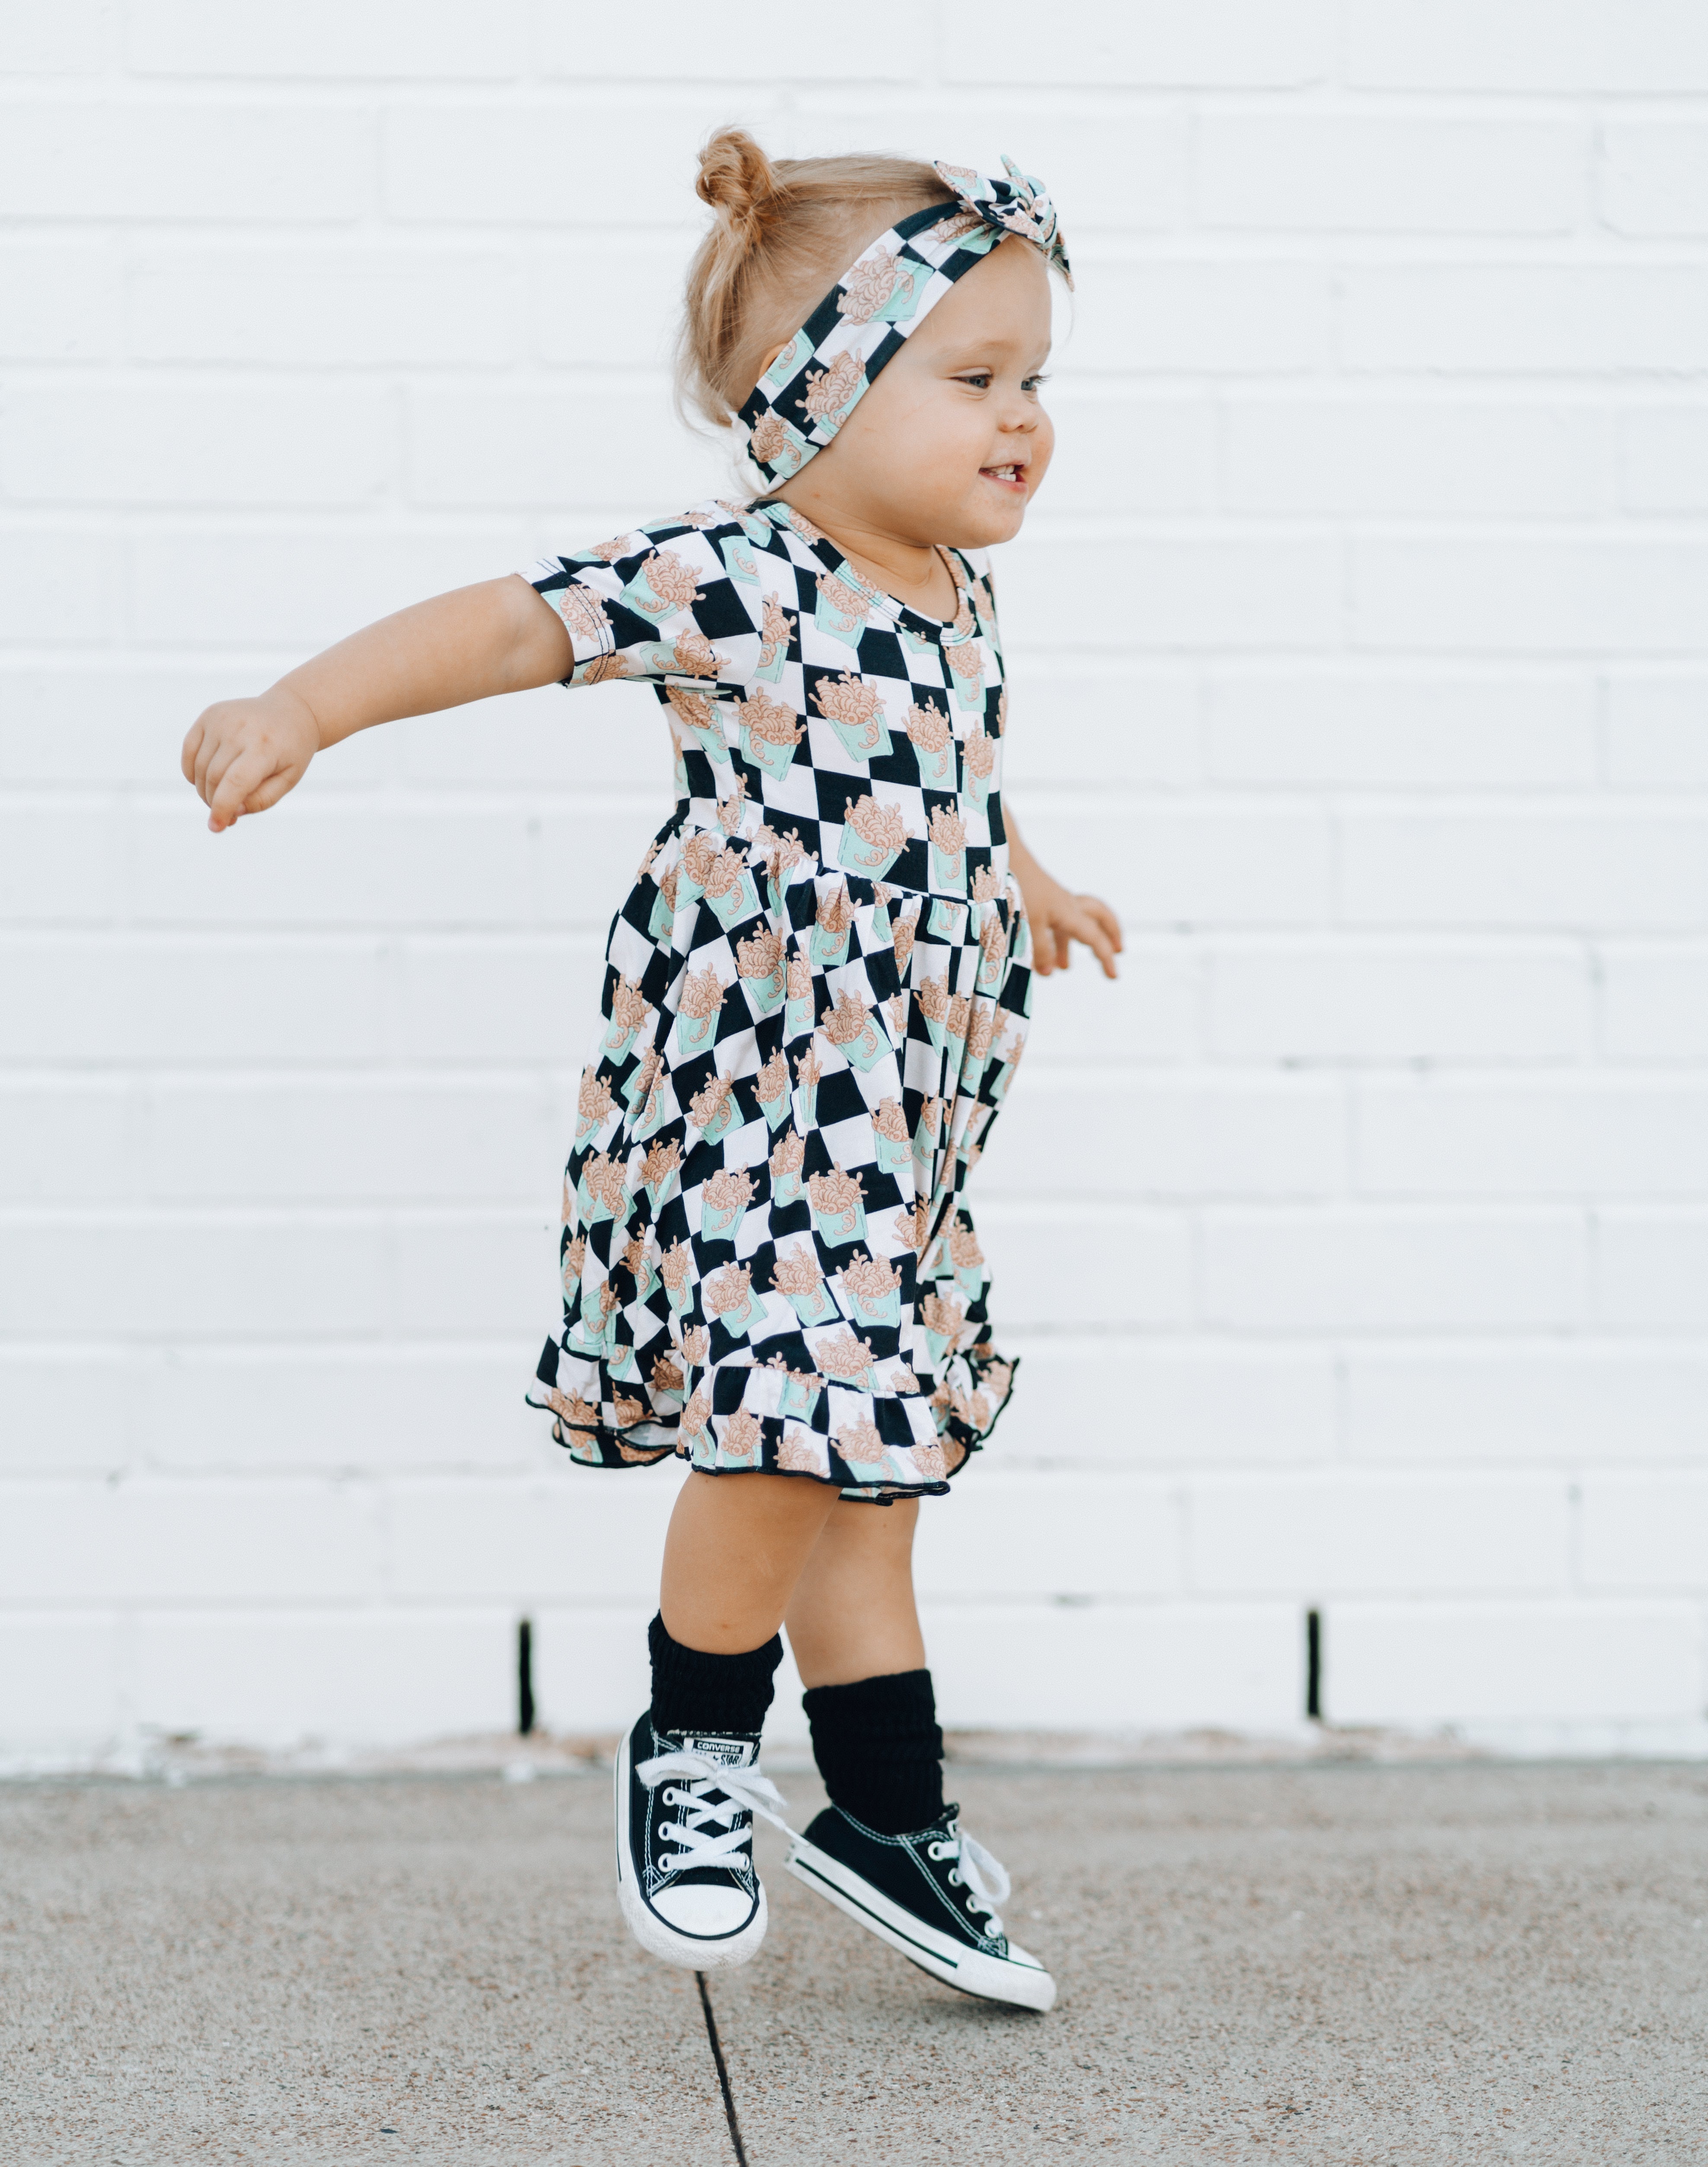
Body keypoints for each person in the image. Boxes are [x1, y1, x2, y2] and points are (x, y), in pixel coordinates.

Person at [180, 129, 1121, 2015]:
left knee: (868, 1484)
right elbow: (514, 619)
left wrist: (1014, 878)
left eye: (1038, 380)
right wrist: (302, 706)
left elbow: (931, 785)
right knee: (789, 1427)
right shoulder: (740, 578)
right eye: (974, 377)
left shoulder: (949, 596)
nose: (1023, 419)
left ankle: (879, 1807)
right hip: (764, 1116)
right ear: (811, 397)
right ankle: (696, 1741)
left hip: (904, 1129)